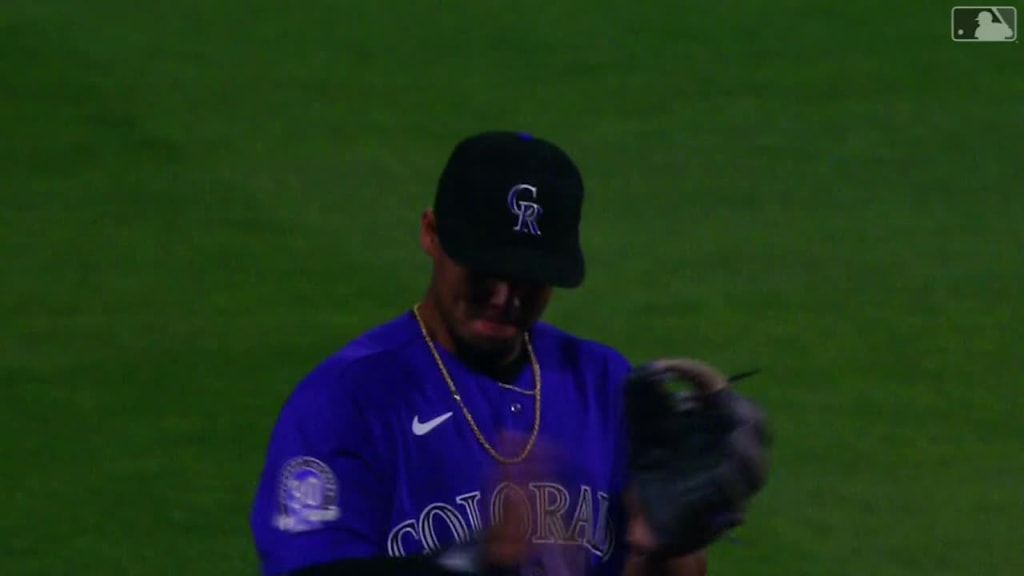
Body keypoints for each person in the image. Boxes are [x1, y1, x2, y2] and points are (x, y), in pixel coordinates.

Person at [248, 131, 751, 576]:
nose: (505, 295)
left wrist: (658, 548)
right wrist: (472, 563)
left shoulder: (602, 384)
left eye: (528, 275)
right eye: (486, 267)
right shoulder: (347, 402)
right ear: (431, 234)